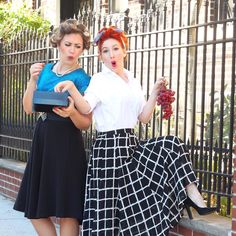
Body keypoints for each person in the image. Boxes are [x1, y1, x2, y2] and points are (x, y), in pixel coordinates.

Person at [55, 26, 217, 236]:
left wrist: (154, 93)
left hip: (131, 147)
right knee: (108, 217)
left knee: (170, 144)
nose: (111, 55)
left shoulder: (132, 80)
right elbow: (85, 107)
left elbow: (143, 117)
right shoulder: (100, 80)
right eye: (105, 50)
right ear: (100, 55)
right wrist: (71, 88)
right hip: (108, 151)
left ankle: (194, 196)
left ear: (125, 50)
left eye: (115, 48)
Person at [13, 19, 92, 236]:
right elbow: (29, 108)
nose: (72, 50)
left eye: (77, 46)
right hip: (43, 138)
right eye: (68, 44)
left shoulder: (84, 79)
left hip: (67, 141)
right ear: (58, 44)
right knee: (35, 210)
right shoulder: (45, 70)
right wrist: (32, 80)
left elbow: (86, 123)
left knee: (67, 209)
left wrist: (72, 113)